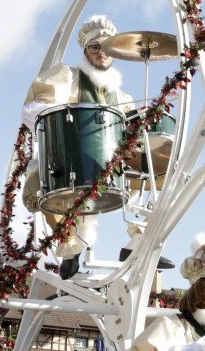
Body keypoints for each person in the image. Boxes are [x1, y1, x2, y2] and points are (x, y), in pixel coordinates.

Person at [21, 15, 137, 271]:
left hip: (111, 162)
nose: (101, 53)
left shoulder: (121, 96)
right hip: (71, 157)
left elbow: (133, 129)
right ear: (85, 50)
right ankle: (70, 244)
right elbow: (37, 110)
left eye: (106, 47)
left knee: (150, 164)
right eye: (95, 47)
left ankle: (139, 239)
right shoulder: (67, 76)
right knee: (50, 178)